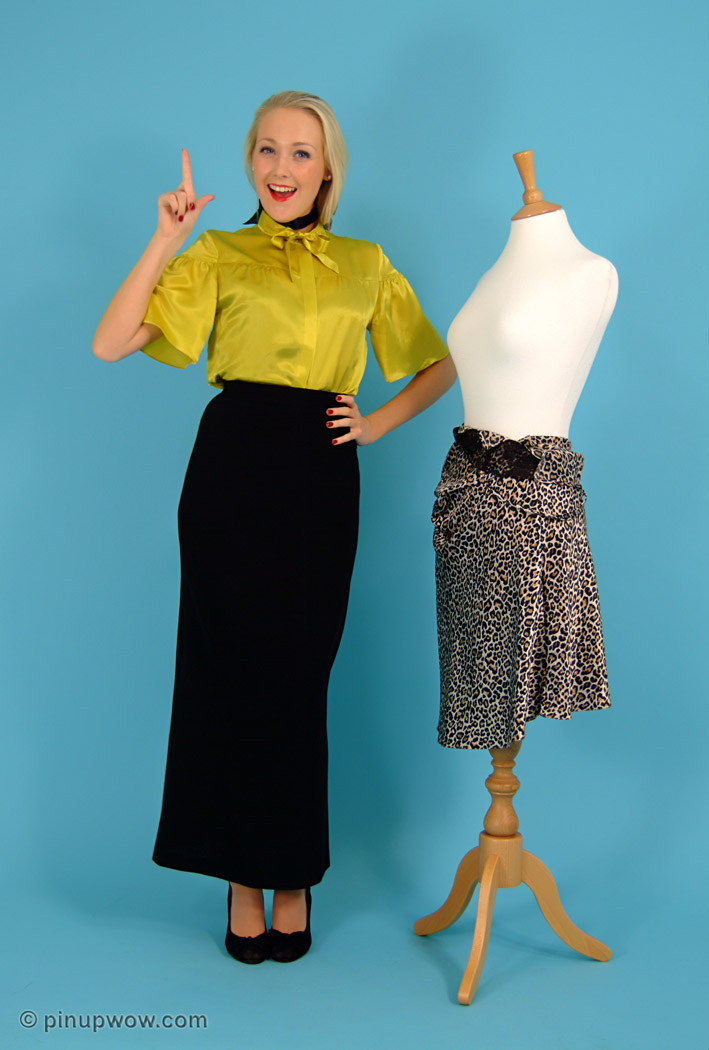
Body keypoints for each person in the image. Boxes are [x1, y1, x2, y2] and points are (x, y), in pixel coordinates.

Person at [92, 90, 456, 965]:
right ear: (249, 160)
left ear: (326, 169)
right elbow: (111, 342)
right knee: (225, 674)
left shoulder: (365, 263)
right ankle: (240, 882)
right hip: (230, 470)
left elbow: (438, 364)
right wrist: (166, 238)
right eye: (266, 149)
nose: (281, 168)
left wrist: (374, 422)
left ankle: (289, 874)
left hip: (318, 476)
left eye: (300, 153)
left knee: (295, 680)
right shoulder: (218, 252)